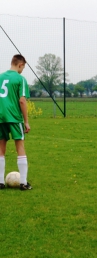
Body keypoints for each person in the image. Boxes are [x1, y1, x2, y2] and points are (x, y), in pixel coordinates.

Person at [0, 54, 32, 190]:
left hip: (0, 117)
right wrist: (26, 121)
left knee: (1, 149)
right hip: (14, 117)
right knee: (20, 147)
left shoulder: (1, 77)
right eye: (23, 68)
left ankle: (0, 182)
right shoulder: (20, 79)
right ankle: (23, 183)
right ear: (20, 65)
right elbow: (22, 100)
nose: (22, 70)